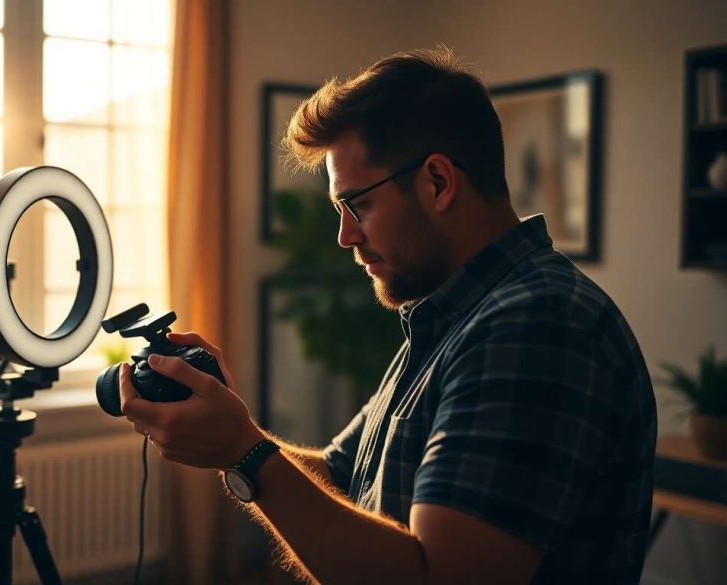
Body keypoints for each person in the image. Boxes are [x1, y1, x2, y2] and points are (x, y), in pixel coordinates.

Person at [119, 47, 656, 584]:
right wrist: (229, 430)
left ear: (438, 183)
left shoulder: (535, 325)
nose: (345, 236)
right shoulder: (453, 318)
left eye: (358, 205)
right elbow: (339, 478)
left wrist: (241, 448)